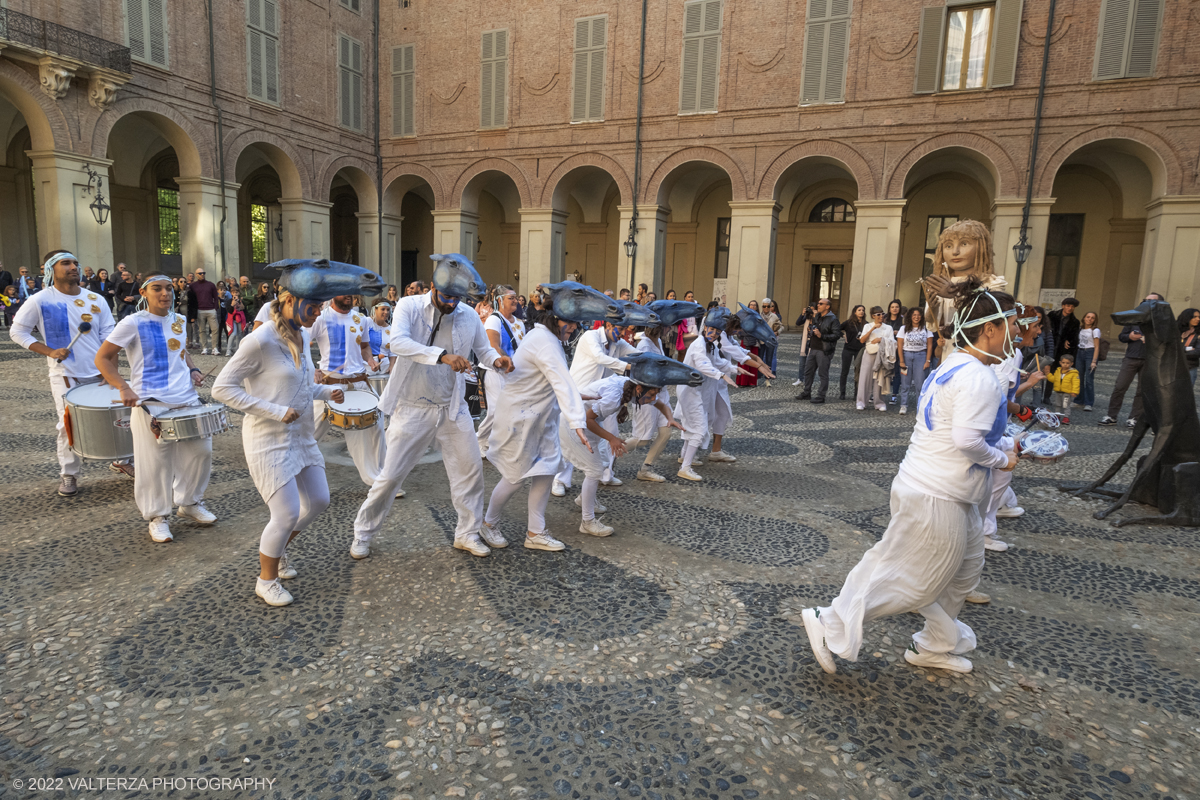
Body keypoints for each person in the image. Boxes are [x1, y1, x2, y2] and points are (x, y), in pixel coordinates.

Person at [802, 279, 1019, 676]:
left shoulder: (956, 362)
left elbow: (961, 427)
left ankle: (935, 645)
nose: (1016, 333)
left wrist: (1005, 442)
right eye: (1011, 325)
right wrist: (1003, 460)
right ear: (990, 329)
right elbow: (968, 440)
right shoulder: (979, 377)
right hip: (938, 494)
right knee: (915, 582)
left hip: (938, 489)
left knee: (964, 571)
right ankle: (830, 620)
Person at [351, 259, 513, 559]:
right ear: (433, 287)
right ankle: (363, 533)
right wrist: (442, 356)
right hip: (413, 406)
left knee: (470, 471)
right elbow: (398, 343)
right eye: (446, 296)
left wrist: (496, 361)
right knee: (390, 476)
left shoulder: (467, 315)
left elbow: (484, 350)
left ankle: (467, 533)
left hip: (452, 407)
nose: (451, 303)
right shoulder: (409, 306)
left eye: (457, 298)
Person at [212, 290, 344, 607]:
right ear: (287, 301)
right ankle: (266, 580)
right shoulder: (260, 340)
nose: (317, 314)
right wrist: (275, 410)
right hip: (267, 439)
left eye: (320, 307)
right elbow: (221, 388)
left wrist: (327, 392)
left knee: (318, 501)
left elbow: (300, 385)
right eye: (312, 307)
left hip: (301, 435)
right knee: (285, 513)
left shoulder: (299, 335)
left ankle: (279, 548)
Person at [483, 283, 602, 553]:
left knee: (547, 470)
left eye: (575, 324)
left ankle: (535, 532)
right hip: (521, 418)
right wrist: (578, 422)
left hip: (540, 418)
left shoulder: (548, 339)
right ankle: (487, 524)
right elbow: (560, 380)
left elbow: (557, 381)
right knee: (515, 477)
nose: (572, 328)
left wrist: (580, 397)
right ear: (554, 318)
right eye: (569, 323)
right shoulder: (544, 341)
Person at [95, 275, 216, 542]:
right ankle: (157, 516)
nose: (165, 293)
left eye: (169, 288)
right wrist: (123, 387)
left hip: (186, 398)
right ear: (144, 293)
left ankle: (189, 502)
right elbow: (102, 357)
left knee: (200, 452)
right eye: (157, 289)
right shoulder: (132, 322)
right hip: (151, 404)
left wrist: (193, 369)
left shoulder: (179, 320)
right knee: (155, 462)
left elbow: (181, 352)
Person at [9, 251, 122, 496]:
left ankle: (123, 460)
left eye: (75, 263)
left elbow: (111, 339)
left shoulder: (96, 299)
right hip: (66, 374)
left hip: (100, 372)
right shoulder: (40, 300)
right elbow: (18, 332)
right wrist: (49, 351)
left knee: (118, 418)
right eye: (66, 263)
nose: (74, 267)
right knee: (67, 425)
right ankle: (69, 474)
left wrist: (111, 371)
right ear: (51, 269)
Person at [563, 370, 684, 536]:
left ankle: (584, 500)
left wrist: (669, 418)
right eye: (652, 393)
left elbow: (660, 405)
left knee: (598, 466)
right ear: (640, 389)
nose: (653, 397)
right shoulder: (615, 397)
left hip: (583, 424)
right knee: (594, 470)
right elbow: (588, 419)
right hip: (572, 424)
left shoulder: (633, 385)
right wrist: (612, 438)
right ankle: (587, 522)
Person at [551, 316, 634, 495]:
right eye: (621, 329)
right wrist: (627, 366)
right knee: (570, 438)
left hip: (602, 399)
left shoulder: (618, 343)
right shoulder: (590, 336)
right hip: (577, 395)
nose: (624, 334)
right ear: (609, 325)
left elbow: (637, 354)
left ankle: (604, 474)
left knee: (606, 437)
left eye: (626, 330)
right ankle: (559, 479)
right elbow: (600, 358)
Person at [310, 295, 387, 486]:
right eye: (344, 292)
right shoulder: (320, 318)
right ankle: (290, 473)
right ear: (334, 293)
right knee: (307, 433)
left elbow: (365, 346)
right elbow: (300, 345)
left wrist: (370, 360)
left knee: (376, 428)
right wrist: (313, 370)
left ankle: (380, 480)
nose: (349, 296)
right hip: (330, 385)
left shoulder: (361, 319)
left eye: (352, 292)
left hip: (359, 382)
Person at [920, 220, 1007, 361]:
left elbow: (991, 315)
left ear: (981, 247)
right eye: (948, 246)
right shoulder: (941, 282)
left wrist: (956, 294)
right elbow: (932, 325)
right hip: (949, 350)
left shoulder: (991, 283)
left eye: (964, 244)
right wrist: (932, 309)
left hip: (978, 350)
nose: (955, 252)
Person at [673, 309, 742, 481]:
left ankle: (685, 457)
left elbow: (718, 361)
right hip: (691, 393)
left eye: (718, 332)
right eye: (712, 330)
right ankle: (685, 467)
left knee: (696, 425)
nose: (714, 334)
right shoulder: (698, 345)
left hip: (697, 392)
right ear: (705, 328)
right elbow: (704, 365)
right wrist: (721, 375)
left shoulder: (708, 345)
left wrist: (734, 368)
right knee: (700, 428)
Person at [1100, 292, 1165, 427]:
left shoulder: (1161, 321)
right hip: (1131, 358)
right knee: (1120, 387)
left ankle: (1134, 418)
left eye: (1150, 301)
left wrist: (1152, 340)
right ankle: (1111, 416)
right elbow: (1121, 337)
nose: (1146, 302)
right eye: (1145, 300)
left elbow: (1166, 341)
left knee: (1142, 391)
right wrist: (1129, 336)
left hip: (1149, 360)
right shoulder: (1135, 318)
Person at [477, 284, 524, 455]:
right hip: (494, 370)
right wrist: (506, 361)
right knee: (497, 409)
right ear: (499, 300)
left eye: (516, 297)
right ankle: (481, 439)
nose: (515, 301)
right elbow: (493, 346)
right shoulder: (493, 319)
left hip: (512, 371)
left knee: (513, 408)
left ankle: (502, 442)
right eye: (511, 298)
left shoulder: (519, 323)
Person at [796, 298, 839, 403]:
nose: (818, 305)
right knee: (808, 371)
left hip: (824, 350)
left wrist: (822, 335)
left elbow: (837, 335)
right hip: (813, 347)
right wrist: (811, 330)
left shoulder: (833, 319)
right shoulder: (818, 317)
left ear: (827, 306)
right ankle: (807, 392)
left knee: (822, 373)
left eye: (821, 304)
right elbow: (814, 327)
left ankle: (821, 396)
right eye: (818, 303)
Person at [896, 306, 934, 415]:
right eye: (914, 315)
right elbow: (899, 345)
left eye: (918, 315)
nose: (916, 317)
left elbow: (930, 346)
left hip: (921, 356)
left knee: (920, 383)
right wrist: (901, 361)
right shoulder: (903, 328)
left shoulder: (926, 328)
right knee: (905, 383)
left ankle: (920, 406)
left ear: (921, 317)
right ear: (910, 317)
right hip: (906, 355)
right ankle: (903, 405)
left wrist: (927, 361)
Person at [856, 307, 894, 411]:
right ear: (873, 316)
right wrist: (872, 329)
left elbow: (892, 341)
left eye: (882, 314)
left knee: (880, 378)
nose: (881, 316)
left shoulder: (888, 328)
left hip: (882, 355)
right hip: (870, 353)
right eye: (878, 314)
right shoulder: (868, 326)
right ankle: (861, 401)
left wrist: (881, 339)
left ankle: (879, 402)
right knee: (865, 377)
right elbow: (862, 340)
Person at [1043, 298, 1079, 404]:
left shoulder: (1075, 322)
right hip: (1049, 345)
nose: (1070, 308)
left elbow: (1074, 337)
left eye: (1072, 306)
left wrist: (1068, 341)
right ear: (1063, 306)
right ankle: (1037, 395)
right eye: (1068, 306)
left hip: (1061, 350)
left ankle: (1047, 396)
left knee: (1053, 372)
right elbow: (1045, 327)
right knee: (1041, 370)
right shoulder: (1052, 315)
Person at [1074, 311, 1102, 410]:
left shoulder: (1095, 330)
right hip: (1080, 352)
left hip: (1090, 352)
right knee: (1079, 378)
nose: (1089, 319)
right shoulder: (1080, 329)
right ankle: (1078, 400)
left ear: (1095, 320)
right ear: (1084, 318)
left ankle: (1088, 403)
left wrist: (1094, 361)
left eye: (1092, 318)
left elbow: (1097, 347)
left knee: (1089, 379)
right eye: (1088, 317)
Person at [839, 305, 866, 400]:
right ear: (855, 312)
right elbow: (837, 328)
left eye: (863, 310)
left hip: (859, 349)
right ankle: (842, 393)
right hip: (848, 349)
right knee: (844, 371)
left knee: (858, 371)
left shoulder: (866, 324)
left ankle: (856, 393)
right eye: (859, 310)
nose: (861, 312)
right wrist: (843, 335)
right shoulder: (848, 323)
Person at [883, 300, 905, 402]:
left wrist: (898, 333)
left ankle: (894, 394)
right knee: (884, 371)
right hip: (886, 348)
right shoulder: (885, 319)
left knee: (897, 372)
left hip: (898, 348)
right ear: (889, 308)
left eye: (896, 307)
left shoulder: (903, 320)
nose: (894, 309)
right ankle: (879, 393)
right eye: (892, 307)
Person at [760, 298, 782, 378]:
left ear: (770, 307)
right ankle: (759, 375)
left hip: (770, 340)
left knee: (769, 358)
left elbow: (781, 326)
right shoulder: (758, 316)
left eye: (767, 306)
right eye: (764, 306)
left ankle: (768, 376)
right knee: (760, 358)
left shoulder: (774, 316)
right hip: (761, 340)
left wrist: (777, 332)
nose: (766, 308)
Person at [792, 303, 814, 386]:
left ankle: (808, 380)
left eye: (812, 309)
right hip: (805, 342)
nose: (810, 311)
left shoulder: (818, 318)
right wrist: (802, 314)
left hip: (813, 343)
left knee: (810, 363)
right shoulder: (806, 318)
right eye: (809, 309)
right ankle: (800, 379)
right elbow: (798, 323)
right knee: (802, 362)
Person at [1179, 308, 1200, 385]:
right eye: (1194, 317)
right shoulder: (1176, 331)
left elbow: (1197, 352)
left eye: (1199, 317)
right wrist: (1187, 349)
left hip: (1189, 367)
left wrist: (1180, 351)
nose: (1198, 319)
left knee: (1186, 394)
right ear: (1187, 317)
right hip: (1173, 367)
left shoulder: (1198, 333)